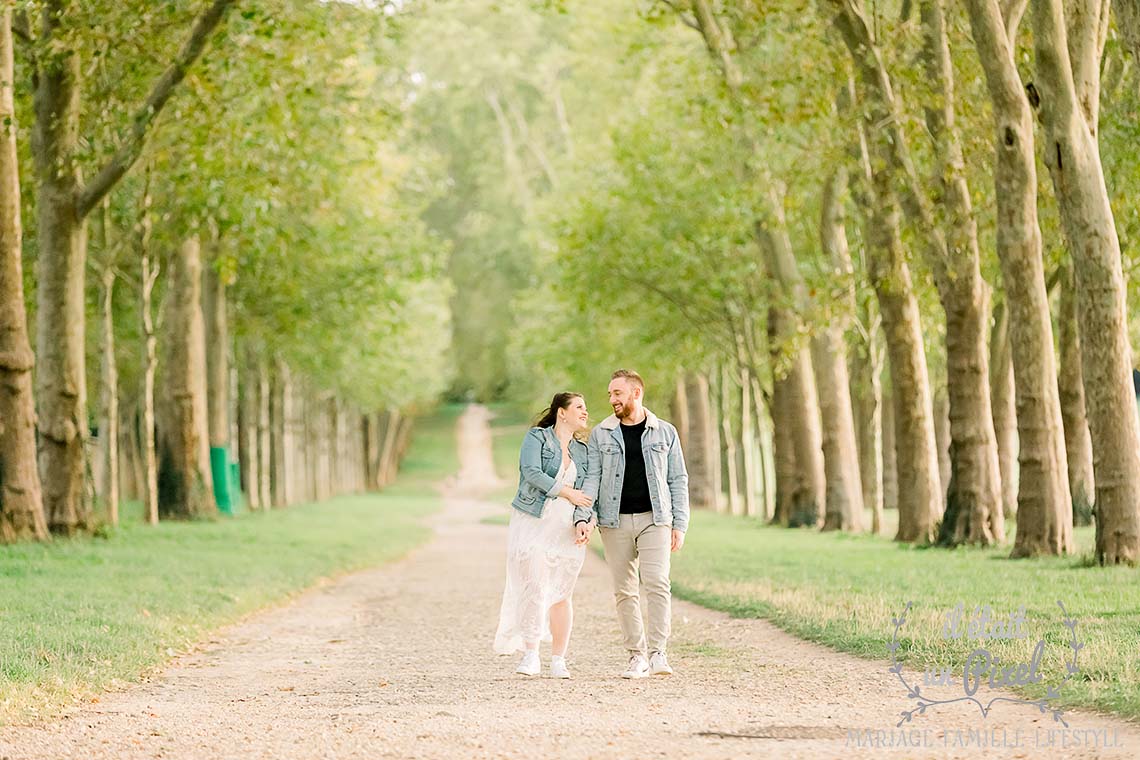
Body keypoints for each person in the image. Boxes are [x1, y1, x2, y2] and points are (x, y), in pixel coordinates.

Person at [575, 369, 689, 679]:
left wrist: (680, 523)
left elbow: (677, 478)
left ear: (635, 394)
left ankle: (658, 654)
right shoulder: (601, 434)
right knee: (625, 591)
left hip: (656, 520)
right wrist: (584, 516)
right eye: (610, 394)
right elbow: (593, 477)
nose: (612, 399)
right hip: (615, 522)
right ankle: (636, 656)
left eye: (617, 393)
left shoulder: (665, 432)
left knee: (657, 584)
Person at [493, 392, 594, 678]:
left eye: (586, 408)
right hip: (535, 522)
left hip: (566, 528)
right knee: (535, 586)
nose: (585, 412)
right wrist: (567, 492)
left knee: (563, 593)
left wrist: (584, 520)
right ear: (562, 412)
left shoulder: (583, 451)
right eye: (579, 407)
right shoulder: (537, 438)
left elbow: (587, 495)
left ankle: (559, 659)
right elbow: (531, 472)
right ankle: (531, 654)